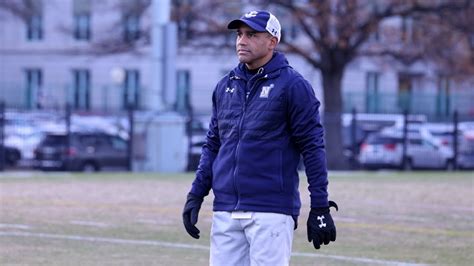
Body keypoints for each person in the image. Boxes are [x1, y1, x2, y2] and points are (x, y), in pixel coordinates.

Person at [182, 10, 338, 265]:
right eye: (239, 34)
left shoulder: (294, 86)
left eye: (251, 34)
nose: (242, 41)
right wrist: (196, 195)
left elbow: (312, 147)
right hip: (226, 210)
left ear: (272, 41)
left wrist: (319, 205)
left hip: (271, 212)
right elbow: (213, 145)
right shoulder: (225, 86)